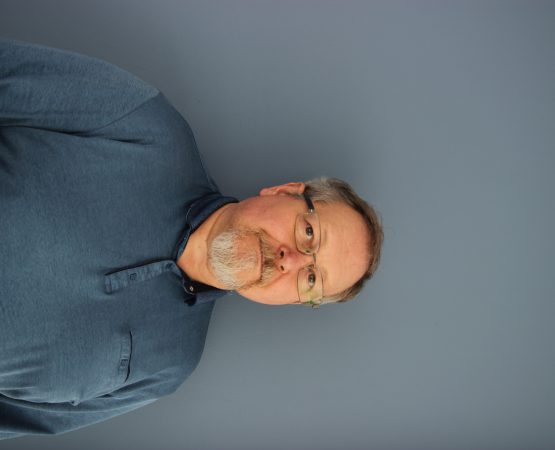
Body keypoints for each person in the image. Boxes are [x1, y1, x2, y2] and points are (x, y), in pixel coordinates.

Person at [0, 39, 383, 439]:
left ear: (292, 302)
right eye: (309, 234)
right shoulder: (146, 125)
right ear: (284, 192)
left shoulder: (168, 366)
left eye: (311, 279)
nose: (291, 261)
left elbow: (16, 420)